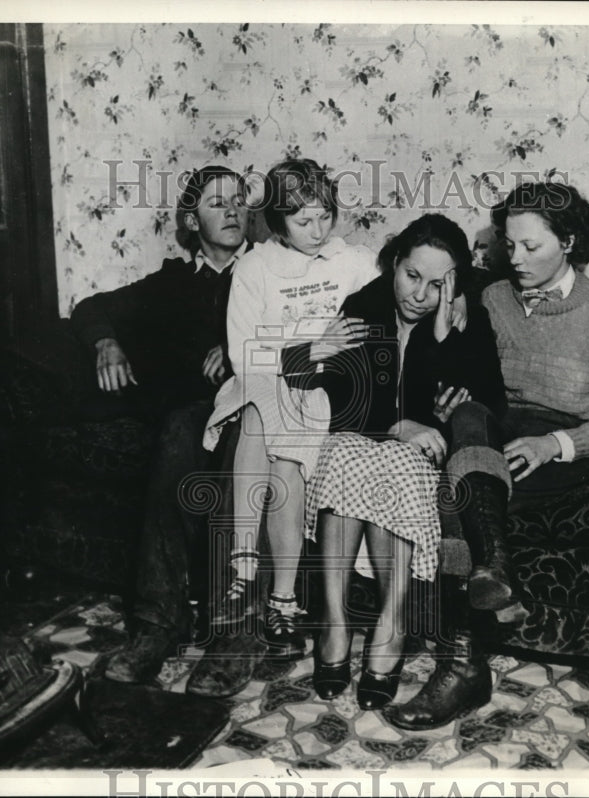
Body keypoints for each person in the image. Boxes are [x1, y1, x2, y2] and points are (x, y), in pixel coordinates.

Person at [384, 180, 589, 730]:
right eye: (509, 244)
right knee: (468, 419)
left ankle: (463, 666)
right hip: (491, 437)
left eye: (531, 246)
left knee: (454, 494)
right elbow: (458, 373)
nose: (516, 258)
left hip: (568, 451)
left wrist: (553, 446)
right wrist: (450, 386)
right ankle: (493, 569)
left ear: (568, 242)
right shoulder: (491, 298)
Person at [298, 214, 506, 711]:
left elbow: (491, 404)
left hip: (419, 461)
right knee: (345, 451)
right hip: (361, 444)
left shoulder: (467, 319)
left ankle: (390, 627)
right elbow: (339, 397)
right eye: (412, 276)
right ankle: (334, 623)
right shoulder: (363, 306)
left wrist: (443, 340)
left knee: (396, 461)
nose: (419, 294)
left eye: (437, 284)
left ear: (454, 284)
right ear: (394, 263)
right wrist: (396, 424)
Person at [69, 165, 251, 683]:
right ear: (192, 221)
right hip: (193, 412)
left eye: (239, 200)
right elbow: (91, 308)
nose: (233, 210)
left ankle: (235, 630)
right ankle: (158, 623)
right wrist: (106, 342)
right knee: (176, 436)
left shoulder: (269, 269)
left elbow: (311, 324)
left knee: (240, 449)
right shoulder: (171, 283)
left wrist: (241, 349)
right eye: (217, 203)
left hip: (254, 404)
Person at [201, 158, 381, 659]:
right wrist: (311, 346)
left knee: (283, 448)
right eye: (304, 221)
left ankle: (269, 591)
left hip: (322, 390)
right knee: (261, 408)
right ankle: (250, 575)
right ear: (278, 222)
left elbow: (400, 300)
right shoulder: (255, 268)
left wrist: (457, 296)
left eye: (325, 217)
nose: (318, 231)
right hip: (262, 384)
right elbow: (244, 356)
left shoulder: (355, 261)